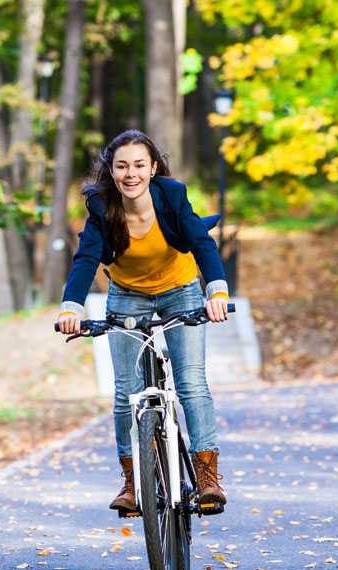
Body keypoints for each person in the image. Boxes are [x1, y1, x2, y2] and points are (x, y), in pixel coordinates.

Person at [57, 129, 229, 513]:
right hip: (127, 295)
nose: (130, 174)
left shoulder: (171, 194)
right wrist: (72, 306)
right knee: (125, 393)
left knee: (191, 382)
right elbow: (87, 258)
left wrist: (216, 291)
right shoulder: (102, 206)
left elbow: (201, 242)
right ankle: (134, 483)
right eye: (122, 166)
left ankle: (206, 477)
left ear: (152, 168)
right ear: (111, 171)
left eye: (138, 165)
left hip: (179, 288)